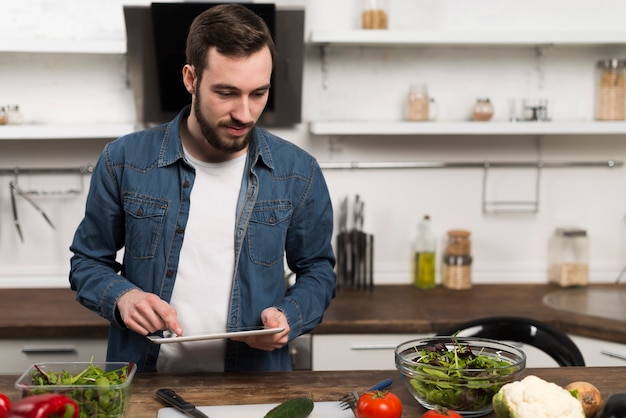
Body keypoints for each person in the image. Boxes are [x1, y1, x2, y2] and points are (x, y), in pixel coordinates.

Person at [69, 4, 336, 373]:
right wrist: (123, 297)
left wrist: (291, 315)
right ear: (191, 79)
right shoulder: (123, 160)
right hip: (146, 381)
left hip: (254, 386)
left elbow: (319, 269)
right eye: (226, 93)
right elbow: (87, 260)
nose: (245, 113)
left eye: (258, 93)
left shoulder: (298, 171)